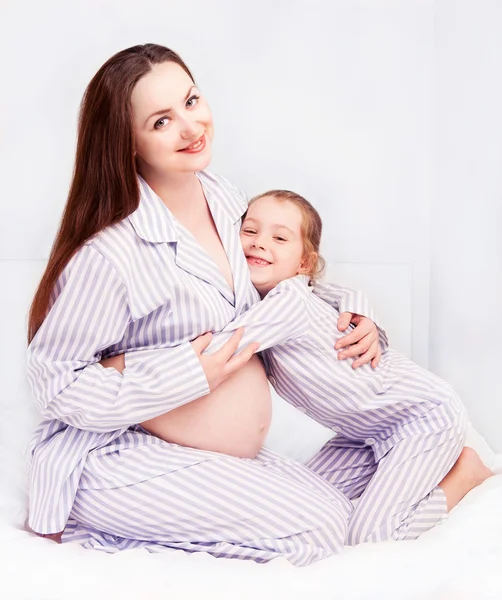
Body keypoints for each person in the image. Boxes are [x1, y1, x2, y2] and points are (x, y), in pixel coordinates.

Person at [25, 43, 386, 565]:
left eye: (192, 102)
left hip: (198, 452)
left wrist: (356, 308)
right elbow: (53, 381)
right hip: (113, 459)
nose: (192, 128)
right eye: (162, 121)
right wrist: (184, 373)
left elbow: (278, 270)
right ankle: (105, 524)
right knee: (328, 530)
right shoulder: (111, 255)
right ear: (126, 142)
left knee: (366, 459)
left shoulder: (225, 199)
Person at [195, 189, 493, 544]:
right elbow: (334, 293)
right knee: (306, 502)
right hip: (364, 434)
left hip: (421, 417)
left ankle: (465, 472)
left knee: (370, 536)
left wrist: (142, 360)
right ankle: (404, 475)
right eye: (250, 231)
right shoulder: (292, 296)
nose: (260, 243)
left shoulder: (286, 303)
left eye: (279, 237)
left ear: (303, 264)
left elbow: (224, 348)